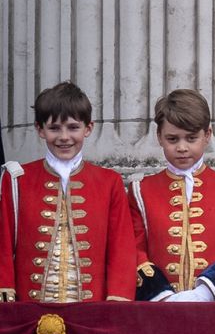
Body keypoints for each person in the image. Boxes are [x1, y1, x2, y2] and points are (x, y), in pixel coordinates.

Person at [0, 82, 137, 302]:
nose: (64, 137)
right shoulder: (16, 179)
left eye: (73, 127)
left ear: (88, 128)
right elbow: (3, 243)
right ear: (40, 129)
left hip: (91, 312)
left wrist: (117, 301)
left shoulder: (109, 182)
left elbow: (122, 247)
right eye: (54, 128)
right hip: (29, 310)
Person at [128, 89, 215, 302]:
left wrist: (204, 294)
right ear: (159, 137)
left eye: (191, 138)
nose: (182, 147)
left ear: (207, 136)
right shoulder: (141, 190)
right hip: (156, 311)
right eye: (172, 139)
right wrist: (164, 296)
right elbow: (134, 252)